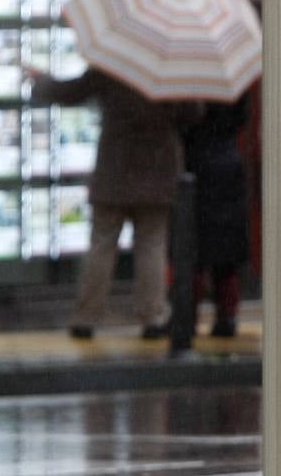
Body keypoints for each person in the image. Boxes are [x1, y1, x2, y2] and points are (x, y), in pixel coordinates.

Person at [31, 67, 201, 340]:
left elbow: (73, 92)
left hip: (115, 165)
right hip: (158, 168)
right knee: (152, 244)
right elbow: (193, 113)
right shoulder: (169, 67)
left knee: (101, 243)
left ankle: (85, 317)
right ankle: (153, 317)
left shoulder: (113, 62)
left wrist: (42, 82)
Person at [183, 94, 251, 337]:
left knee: (192, 252)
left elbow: (185, 123)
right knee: (226, 255)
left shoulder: (190, 86)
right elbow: (242, 118)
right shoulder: (231, 85)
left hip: (196, 168)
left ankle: (187, 317)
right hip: (228, 165)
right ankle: (227, 316)